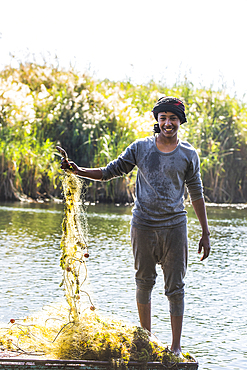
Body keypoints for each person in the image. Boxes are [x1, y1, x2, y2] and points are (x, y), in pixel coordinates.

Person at [60, 96, 211, 356]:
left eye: (173, 118)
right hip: (143, 225)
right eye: (163, 118)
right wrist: (78, 170)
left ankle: (175, 346)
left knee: (175, 288)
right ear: (157, 120)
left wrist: (205, 233)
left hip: (175, 226)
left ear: (180, 121)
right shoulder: (141, 148)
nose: (168, 123)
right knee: (144, 282)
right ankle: (148, 341)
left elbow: (196, 192)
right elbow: (112, 170)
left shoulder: (188, 154)